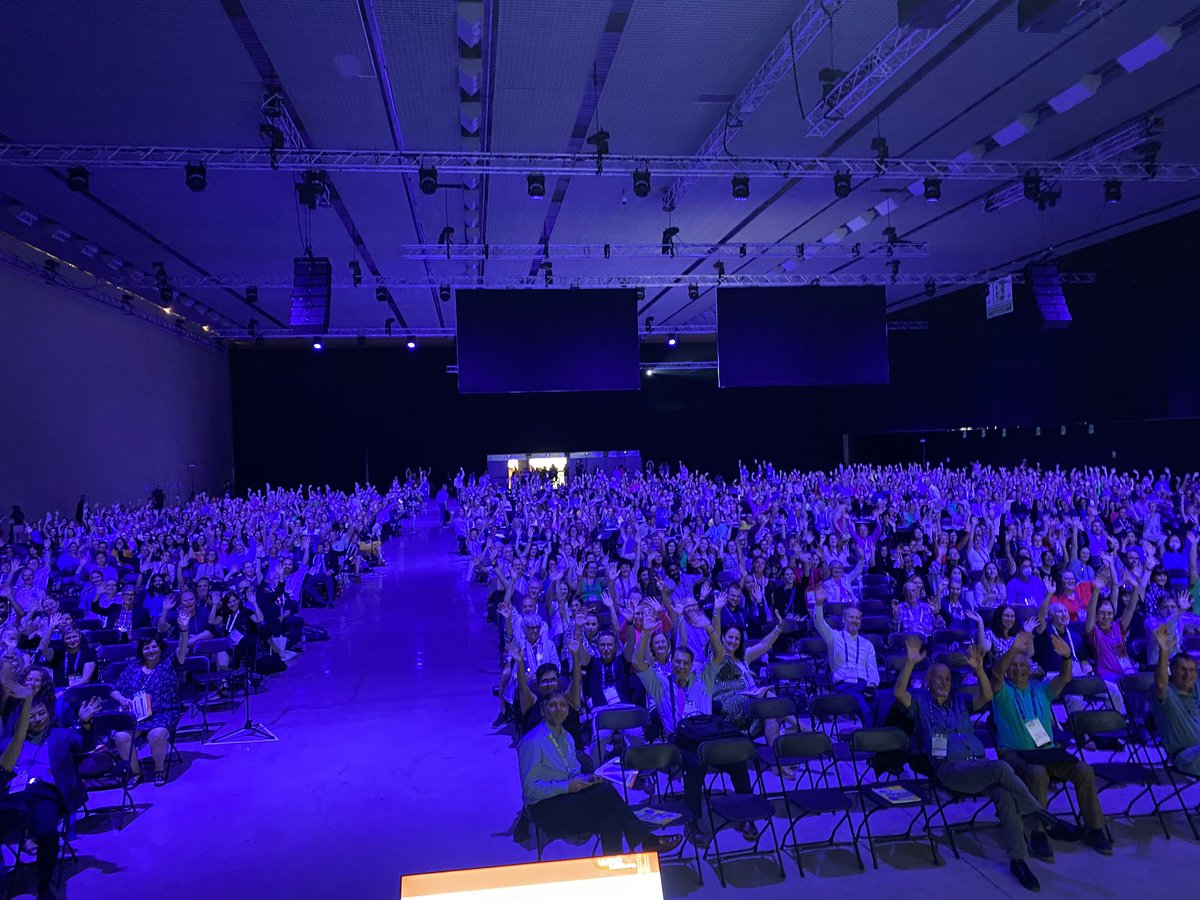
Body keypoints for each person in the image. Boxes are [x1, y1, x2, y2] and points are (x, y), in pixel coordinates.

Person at [893, 636, 1080, 892]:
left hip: (978, 766)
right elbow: (899, 693)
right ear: (928, 681)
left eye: (947, 679)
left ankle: (1018, 860)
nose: (943, 683)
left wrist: (979, 670)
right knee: (1002, 768)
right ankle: (1044, 818)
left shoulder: (960, 702)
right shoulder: (920, 703)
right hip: (950, 769)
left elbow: (987, 695)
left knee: (1005, 794)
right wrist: (910, 664)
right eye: (937, 678)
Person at [632, 605, 756, 844]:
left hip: (708, 737)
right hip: (681, 743)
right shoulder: (660, 684)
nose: (680, 666)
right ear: (671, 663)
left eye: (685, 663)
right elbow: (638, 662)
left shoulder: (703, 679)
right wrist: (646, 633)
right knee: (695, 766)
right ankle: (693, 821)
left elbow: (719, 655)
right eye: (677, 662)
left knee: (738, 762)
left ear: (691, 665)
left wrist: (709, 628)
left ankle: (747, 816)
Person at [990, 631, 1112, 858]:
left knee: (1084, 770)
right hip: (1014, 754)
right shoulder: (1002, 691)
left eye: (1022, 665)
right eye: (1013, 666)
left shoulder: (1042, 689)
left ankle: (1095, 828)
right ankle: (1038, 833)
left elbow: (1065, 678)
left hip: (1046, 752)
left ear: (1030, 669)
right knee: (1037, 773)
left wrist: (1066, 658)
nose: (1018, 669)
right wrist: (1014, 649)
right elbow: (996, 674)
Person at [516, 689, 681, 856]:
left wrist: (588, 779)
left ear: (567, 711)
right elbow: (530, 790)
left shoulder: (566, 737)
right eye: (552, 705)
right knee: (606, 793)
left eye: (563, 705)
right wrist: (567, 786)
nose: (558, 709)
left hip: (566, 800)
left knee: (610, 815)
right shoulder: (532, 742)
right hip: (545, 809)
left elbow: (573, 772)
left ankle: (614, 864)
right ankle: (647, 840)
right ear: (543, 711)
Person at [0, 693, 102, 900]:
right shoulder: (8, 743)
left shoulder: (61, 735)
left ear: (49, 714)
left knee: (47, 834)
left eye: (42, 713)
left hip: (47, 796)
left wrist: (86, 723)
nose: (38, 719)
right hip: (14, 799)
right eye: (31, 716)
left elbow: (86, 746)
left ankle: (43, 887)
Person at [110, 624, 191, 787]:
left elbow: (183, 647)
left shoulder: (170, 663)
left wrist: (183, 630)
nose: (151, 651)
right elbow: (114, 691)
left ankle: (159, 769)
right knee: (120, 737)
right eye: (146, 648)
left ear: (160, 648)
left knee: (156, 734)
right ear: (141, 650)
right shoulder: (132, 667)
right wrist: (122, 699)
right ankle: (136, 772)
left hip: (164, 713)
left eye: (154, 647)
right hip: (137, 714)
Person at [812, 587, 879, 726]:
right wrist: (818, 604)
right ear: (843, 620)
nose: (854, 620)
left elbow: (872, 670)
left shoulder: (867, 645)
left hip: (864, 685)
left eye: (857, 618)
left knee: (881, 702)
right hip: (844, 686)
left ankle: (874, 733)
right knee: (865, 708)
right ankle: (870, 735)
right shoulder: (834, 637)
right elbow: (819, 624)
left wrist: (872, 684)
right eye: (851, 617)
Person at [1150, 623, 1200, 774]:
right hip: (1187, 756)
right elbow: (1160, 684)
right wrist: (1164, 654)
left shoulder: (1196, 687)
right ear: (1172, 670)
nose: (1187, 675)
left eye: (1192, 670)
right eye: (1182, 670)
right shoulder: (1166, 692)